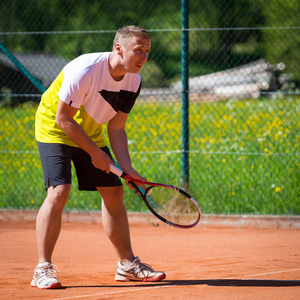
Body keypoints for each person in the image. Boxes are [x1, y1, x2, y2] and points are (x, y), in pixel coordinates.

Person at [31, 25, 166, 289]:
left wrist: (127, 169)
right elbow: (63, 118)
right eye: (138, 50)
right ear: (119, 48)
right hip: (54, 128)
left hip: (90, 132)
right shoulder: (86, 70)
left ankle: (127, 265)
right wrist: (95, 154)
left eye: (147, 51)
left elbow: (116, 127)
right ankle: (42, 268)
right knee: (59, 191)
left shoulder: (134, 80)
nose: (144, 57)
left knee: (114, 193)